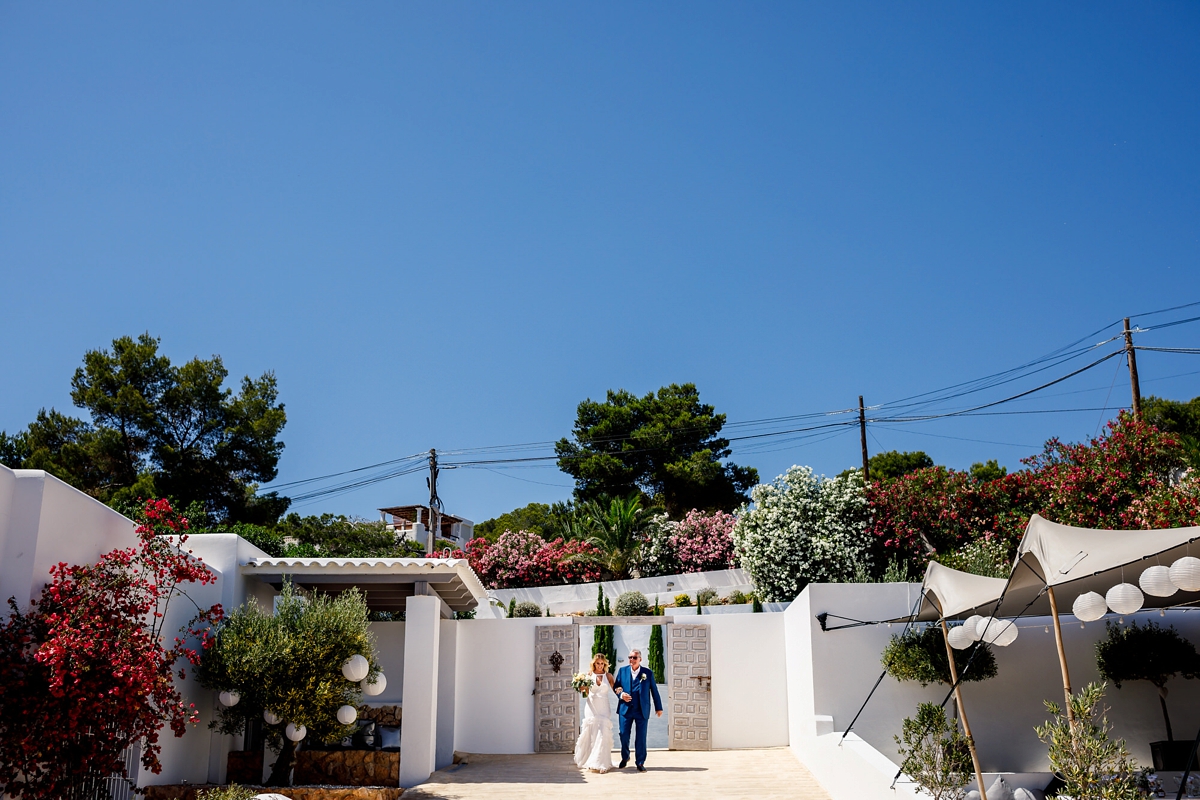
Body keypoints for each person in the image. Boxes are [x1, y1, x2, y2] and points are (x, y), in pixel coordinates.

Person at [614, 648, 662, 772]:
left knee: (641, 737)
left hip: (642, 710)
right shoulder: (622, 671)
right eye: (630, 657)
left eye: (635, 657)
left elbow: (654, 691)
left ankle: (640, 762)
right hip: (625, 709)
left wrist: (659, 707)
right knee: (623, 734)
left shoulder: (648, 673)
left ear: (640, 659)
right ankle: (625, 757)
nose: (632, 660)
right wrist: (621, 695)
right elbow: (617, 687)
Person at [573, 653, 615, 773]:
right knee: (592, 733)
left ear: (605, 664)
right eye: (598, 663)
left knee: (603, 732)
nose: (600, 665)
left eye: (602, 663)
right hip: (591, 707)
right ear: (594, 663)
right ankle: (590, 759)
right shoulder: (589, 675)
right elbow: (584, 692)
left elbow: (617, 689)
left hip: (604, 708)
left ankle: (601, 762)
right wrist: (581, 687)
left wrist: (622, 693)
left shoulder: (609, 676)